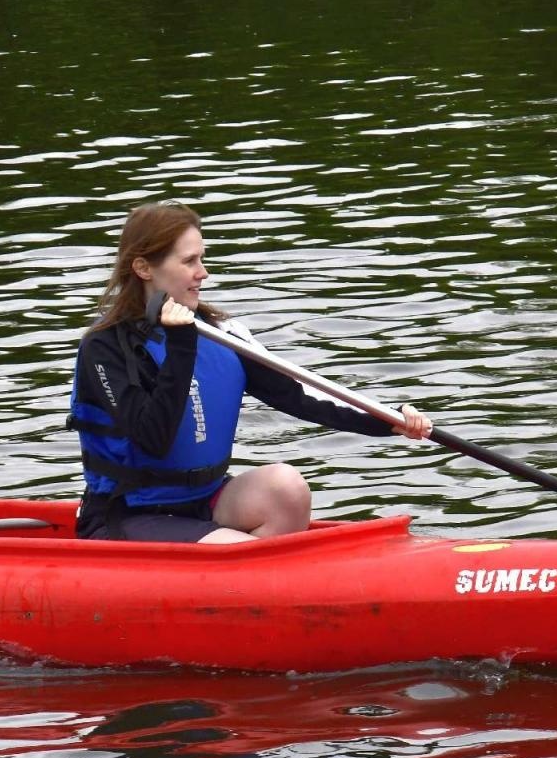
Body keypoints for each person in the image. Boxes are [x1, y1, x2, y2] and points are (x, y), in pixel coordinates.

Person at [68, 201, 431, 543]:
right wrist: (180, 347)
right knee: (236, 550)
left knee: (286, 488)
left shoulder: (220, 333)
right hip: (128, 513)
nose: (203, 273)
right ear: (144, 268)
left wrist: (387, 420)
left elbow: (298, 395)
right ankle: (238, 579)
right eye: (189, 261)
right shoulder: (105, 349)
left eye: (202, 259)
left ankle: (243, 592)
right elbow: (153, 439)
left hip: (205, 498)